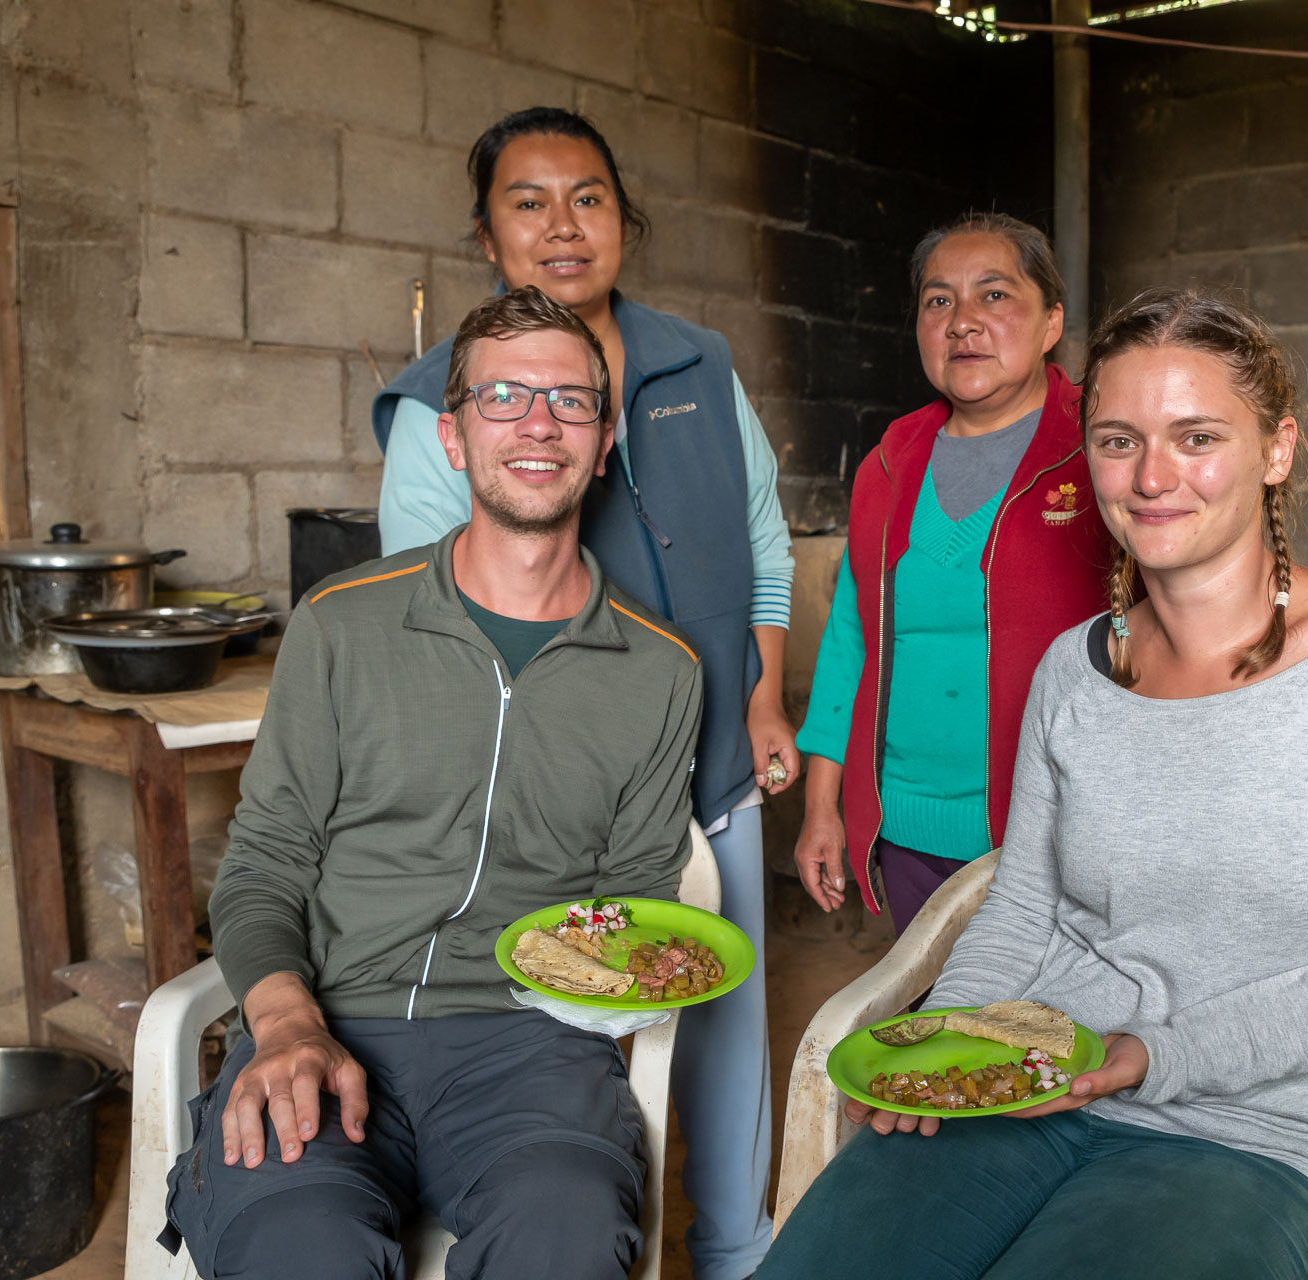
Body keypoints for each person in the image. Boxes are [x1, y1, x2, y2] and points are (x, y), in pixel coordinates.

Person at [759, 290, 1308, 1280]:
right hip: (1023, 1086)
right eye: (1116, 439)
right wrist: (936, 1051)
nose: (1152, 477)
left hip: (1244, 1140)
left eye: (1196, 436)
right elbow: (1023, 909)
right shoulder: (1075, 669)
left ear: (1276, 449)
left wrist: (1151, 1051)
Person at [163, 288, 703, 1279]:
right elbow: (264, 864)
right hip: (325, 1013)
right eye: (503, 396)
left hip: (528, 1045)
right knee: (296, 1242)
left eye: (570, 400)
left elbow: (630, 905)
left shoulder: (661, 670)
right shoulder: (340, 625)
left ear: (605, 433)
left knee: (568, 1233)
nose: (539, 423)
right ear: (454, 435)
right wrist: (283, 1021)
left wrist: (628, 961)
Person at [371, 107, 787, 1278]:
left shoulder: (698, 365)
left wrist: (762, 699)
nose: (563, 225)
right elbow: (425, 622)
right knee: (569, 1041)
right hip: (544, 807)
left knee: (727, 1034)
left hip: (711, 765)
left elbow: (762, 541)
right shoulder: (439, 408)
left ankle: (739, 1248)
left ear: (623, 218)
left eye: (589, 197)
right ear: (485, 233)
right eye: (528, 201)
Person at [791, 213, 1115, 934]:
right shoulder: (889, 462)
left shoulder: (1102, 448)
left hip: (1057, 834)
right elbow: (850, 640)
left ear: (1051, 321)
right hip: (908, 832)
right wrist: (822, 808)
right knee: (940, 1036)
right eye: (939, 301)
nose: (963, 321)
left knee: (1044, 1042)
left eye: (994, 296)